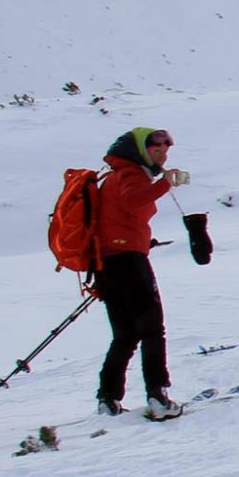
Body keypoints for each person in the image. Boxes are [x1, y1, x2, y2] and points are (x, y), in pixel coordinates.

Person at [94, 127, 191, 419]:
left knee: (124, 334)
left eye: (164, 150)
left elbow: (120, 215)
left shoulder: (112, 176)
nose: (162, 154)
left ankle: (107, 399)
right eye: (155, 149)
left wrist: (139, 240)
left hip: (106, 264)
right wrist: (165, 183)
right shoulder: (130, 174)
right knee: (152, 328)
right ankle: (158, 396)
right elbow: (133, 201)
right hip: (128, 263)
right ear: (138, 150)